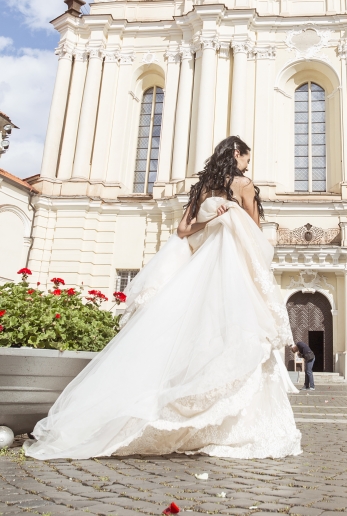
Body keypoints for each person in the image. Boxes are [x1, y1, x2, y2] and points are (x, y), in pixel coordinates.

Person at [24, 136, 301, 461]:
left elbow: (183, 231)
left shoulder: (202, 189)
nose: (247, 166)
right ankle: (230, 427)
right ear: (237, 154)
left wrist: (211, 219)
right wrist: (233, 223)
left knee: (194, 334)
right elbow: (254, 230)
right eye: (246, 159)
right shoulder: (244, 185)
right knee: (236, 334)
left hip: (200, 269)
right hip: (231, 269)